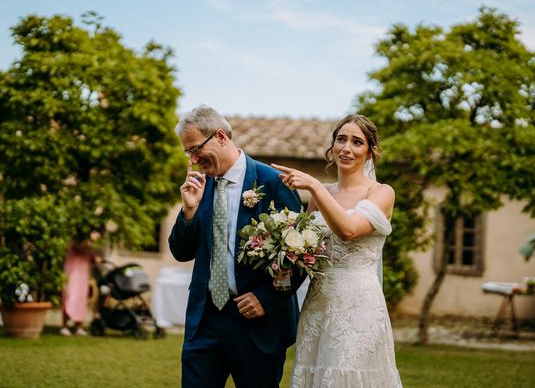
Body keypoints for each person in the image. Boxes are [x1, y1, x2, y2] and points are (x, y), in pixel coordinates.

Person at [169, 105, 304, 388]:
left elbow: (301, 254)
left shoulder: (272, 183)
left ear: (220, 136)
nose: (192, 160)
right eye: (188, 153)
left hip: (256, 323)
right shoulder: (198, 185)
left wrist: (266, 298)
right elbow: (181, 252)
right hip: (205, 319)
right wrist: (189, 212)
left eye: (195, 149)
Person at [273, 114, 402, 387]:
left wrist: (315, 186)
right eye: (341, 139)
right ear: (332, 147)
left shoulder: (381, 193)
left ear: (370, 152)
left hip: (358, 305)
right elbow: (302, 246)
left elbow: (350, 229)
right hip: (319, 302)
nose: (347, 148)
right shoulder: (322, 193)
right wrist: (279, 258)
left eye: (357, 142)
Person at [60, 240, 98, 337]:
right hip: (72, 271)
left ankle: (78, 326)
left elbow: (93, 259)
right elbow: (79, 249)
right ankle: (64, 326)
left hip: (83, 273)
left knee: (81, 298)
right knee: (69, 296)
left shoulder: (90, 244)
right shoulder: (75, 241)